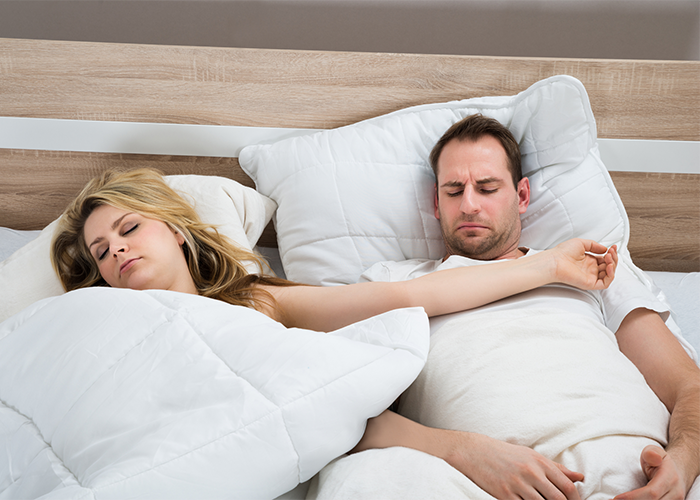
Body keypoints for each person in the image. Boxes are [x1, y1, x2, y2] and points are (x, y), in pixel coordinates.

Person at [50, 167, 616, 493]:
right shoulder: (94, 328)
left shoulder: (255, 302)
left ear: (176, 232)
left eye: (128, 227)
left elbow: (406, 299)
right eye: (100, 250)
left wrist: (545, 266)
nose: (116, 248)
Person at [333, 114, 700, 500]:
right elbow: (340, 408)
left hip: (641, 474)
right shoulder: (394, 282)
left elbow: (687, 387)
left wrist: (682, 463)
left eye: (488, 188)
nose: (470, 205)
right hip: (481, 482)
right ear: (436, 203)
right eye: (454, 191)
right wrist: (465, 452)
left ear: (522, 196)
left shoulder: (590, 265)